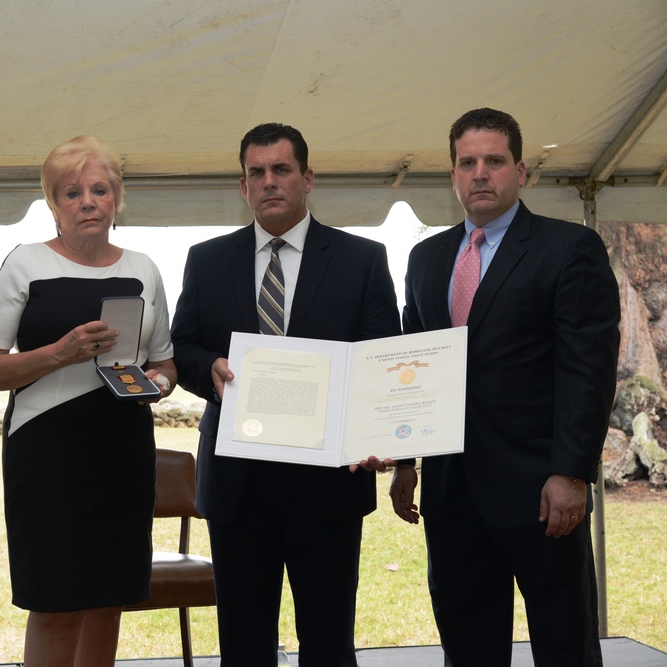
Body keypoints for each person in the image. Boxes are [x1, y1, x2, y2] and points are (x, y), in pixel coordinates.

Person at [391, 108, 620, 666]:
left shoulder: (569, 248)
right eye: (467, 163)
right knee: (468, 648)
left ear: (520, 171)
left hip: (542, 494)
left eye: (493, 161)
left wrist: (570, 473)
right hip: (451, 495)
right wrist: (404, 461)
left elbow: (587, 372)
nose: (480, 174)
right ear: (452, 175)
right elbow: (411, 369)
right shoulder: (426, 259)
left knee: (565, 646)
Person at [171, 122, 401, 666]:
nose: (269, 181)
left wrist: (383, 442)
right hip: (238, 483)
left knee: (328, 642)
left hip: (328, 484)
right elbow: (181, 347)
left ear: (308, 178)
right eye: (257, 172)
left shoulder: (362, 259)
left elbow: (382, 361)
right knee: (243, 645)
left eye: (281, 169)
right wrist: (211, 369)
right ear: (243, 185)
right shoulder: (207, 259)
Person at [0, 135, 177, 667]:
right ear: (53, 204)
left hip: (123, 451)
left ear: (117, 199)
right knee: (56, 605)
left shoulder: (145, 268)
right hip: (47, 453)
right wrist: (60, 353)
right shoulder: (25, 263)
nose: (88, 202)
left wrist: (158, 382)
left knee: (109, 602)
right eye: (72, 193)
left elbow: (166, 362)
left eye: (99, 190)